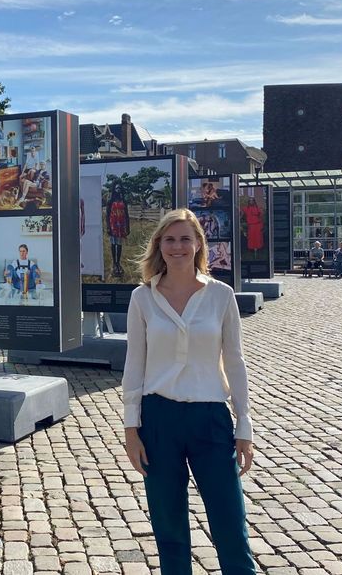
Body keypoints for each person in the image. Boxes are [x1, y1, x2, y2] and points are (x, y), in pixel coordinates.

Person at [122, 208, 255, 575]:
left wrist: (244, 424)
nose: (177, 246)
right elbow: (134, 364)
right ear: (159, 246)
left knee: (229, 521)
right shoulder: (142, 298)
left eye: (185, 238)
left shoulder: (221, 295)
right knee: (169, 527)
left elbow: (235, 360)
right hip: (158, 419)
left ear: (198, 243)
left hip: (209, 418)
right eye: (170, 239)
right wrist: (131, 429)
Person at [107, 185, 130, 277]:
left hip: (121, 226)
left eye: (119, 188)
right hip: (113, 226)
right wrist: (108, 227)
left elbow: (127, 214)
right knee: (113, 244)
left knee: (119, 245)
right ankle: (114, 262)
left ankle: (118, 262)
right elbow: (107, 215)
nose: (118, 190)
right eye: (116, 188)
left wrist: (128, 227)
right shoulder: (110, 201)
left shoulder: (123, 201)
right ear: (114, 190)